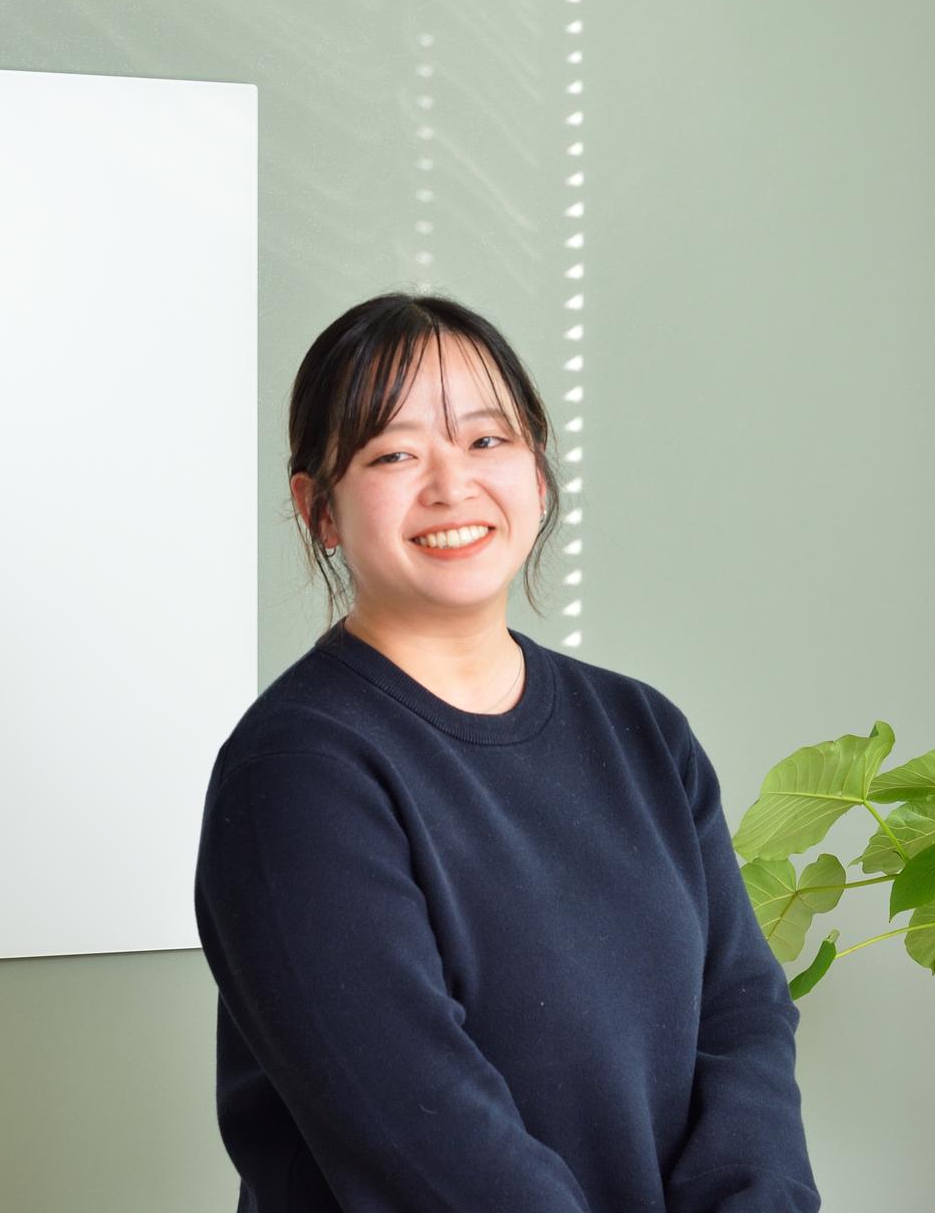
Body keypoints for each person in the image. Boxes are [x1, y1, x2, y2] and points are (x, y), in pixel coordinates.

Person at [192, 292, 821, 1212]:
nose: (452, 485)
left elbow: (740, 1017)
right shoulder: (295, 776)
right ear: (317, 509)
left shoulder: (644, 731)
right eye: (394, 453)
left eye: (486, 440)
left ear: (538, 471)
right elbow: (418, 1136)